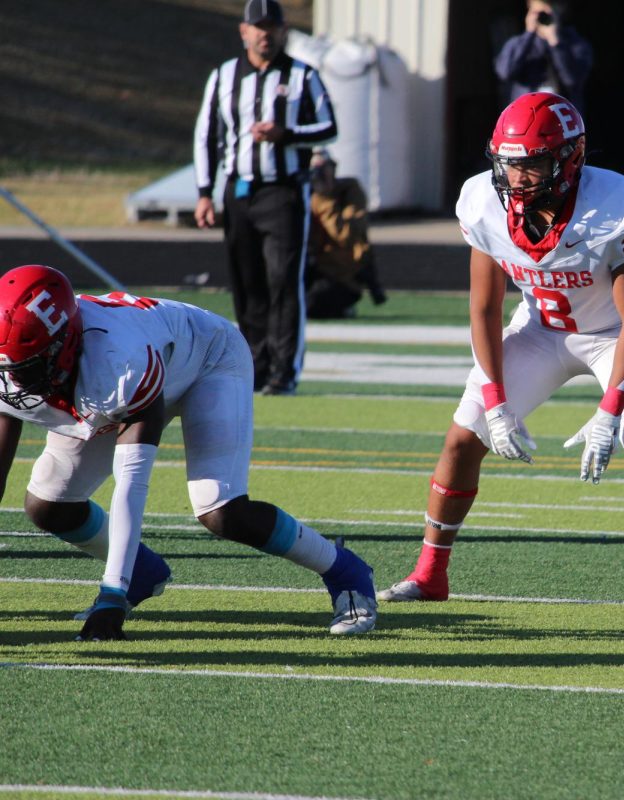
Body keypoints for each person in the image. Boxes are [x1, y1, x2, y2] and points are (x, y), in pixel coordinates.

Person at [375, 92, 624, 614]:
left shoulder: (614, 205)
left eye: (532, 164)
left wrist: (609, 411)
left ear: (571, 158)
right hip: (541, 328)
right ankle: (430, 573)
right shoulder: (483, 203)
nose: (517, 177)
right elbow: (485, 309)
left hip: (614, 333)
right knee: (462, 438)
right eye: (509, 164)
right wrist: (496, 404)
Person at [0, 265, 377, 641]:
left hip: (207, 359)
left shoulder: (119, 362)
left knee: (219, 508)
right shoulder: (14, 367)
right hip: (105, 386)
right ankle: (144, 573)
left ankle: (345, 571)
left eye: (28, 367)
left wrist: (111, 593)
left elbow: (131, 483)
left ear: (63, 344)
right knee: (50, 505)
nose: (16, 382)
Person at [194, 0, 337, 395]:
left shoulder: (303, 75)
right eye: (258, 27)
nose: (265, 34)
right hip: (238, 191)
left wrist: (285, 133)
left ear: (283, 31)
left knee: (283, 280)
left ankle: (284, 370)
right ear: (244, 31)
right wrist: (205, 192)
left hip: (284, 191)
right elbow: (207, 135)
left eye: (272, 26)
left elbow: (329, 127)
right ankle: (254, 364)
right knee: (247, 281)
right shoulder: (223, 76)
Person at [306, 152, 387, 319]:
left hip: (342, 276)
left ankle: (343, 308)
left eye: (323, 168)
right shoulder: (305, 193)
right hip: (314, 270)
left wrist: (324, 199)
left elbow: (346, 235)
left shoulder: (348, 191)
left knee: (310, 304)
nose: (319, 174)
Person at [494, 1, 592, 114]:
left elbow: (572, 80)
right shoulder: (518, 44)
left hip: (564, 121)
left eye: (548, 12)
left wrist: (555, 42)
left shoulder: (576, 44)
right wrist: (528, 35)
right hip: (527, 118)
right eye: (538, 12)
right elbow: (505, 72)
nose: (542, 17)